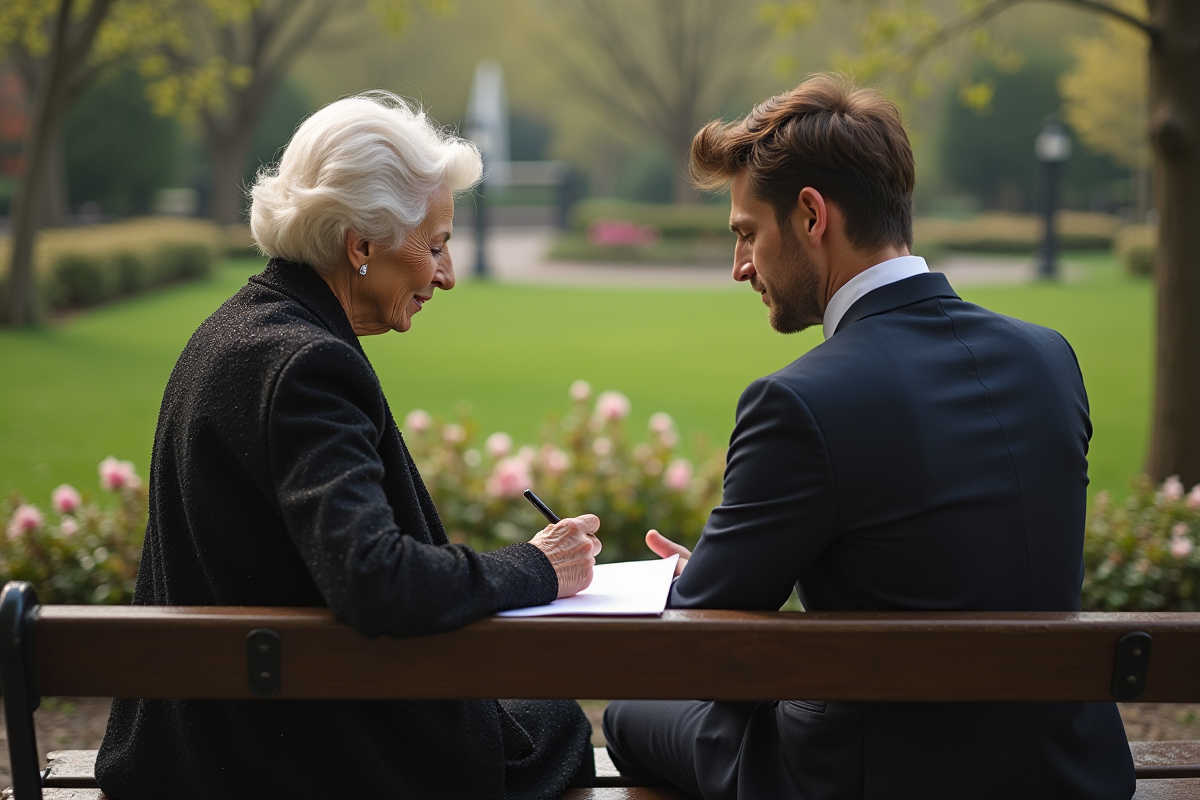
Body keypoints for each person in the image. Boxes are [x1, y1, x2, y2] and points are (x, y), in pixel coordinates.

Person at [603, 74, 1136, 800]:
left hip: (874, 776)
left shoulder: (799, 401)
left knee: (632, 715)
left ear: (812, 215)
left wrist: (697, 575)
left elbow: (704, 638)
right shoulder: (1049, 357)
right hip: (1068, 771)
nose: (740, 268)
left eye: (746, 234)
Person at [95, 92, 600, 800]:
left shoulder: (232, 331)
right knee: (558, 727)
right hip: (285, 764)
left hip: (191, 749)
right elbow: (378, 581)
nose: (447, 274)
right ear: (360, 245)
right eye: (434, 244)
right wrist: (537, 568)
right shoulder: (306, 366)